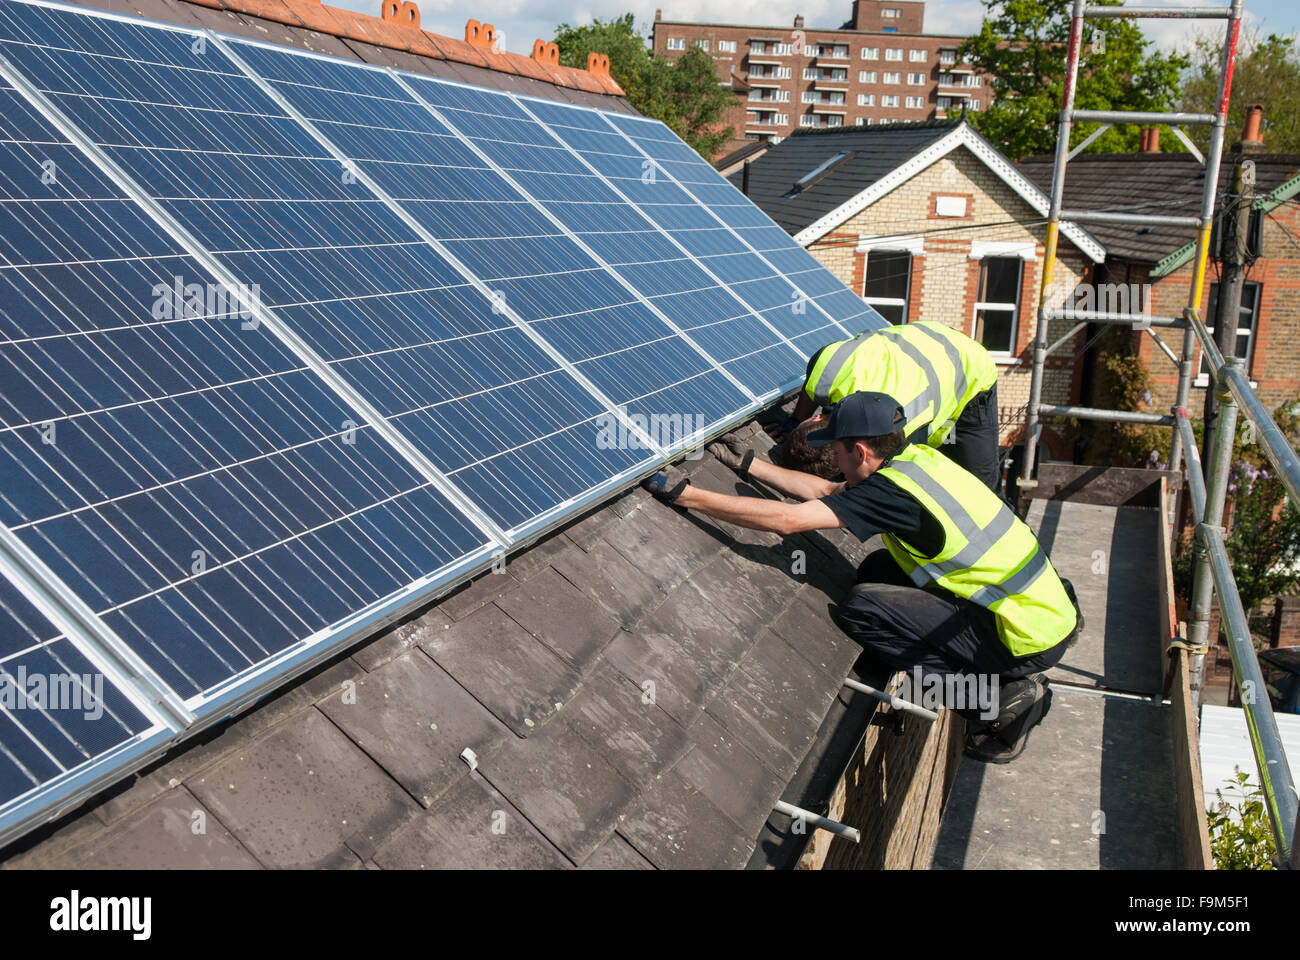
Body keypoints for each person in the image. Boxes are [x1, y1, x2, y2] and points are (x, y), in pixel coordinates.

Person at [642, 391, 1079, 763]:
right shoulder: (916, 460)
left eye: (837, 448)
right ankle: (1001, 677)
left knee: (863, 609)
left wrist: (687, 494)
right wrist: (749, 463)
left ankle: (995, 700)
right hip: (1038, 609)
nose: (831, 457)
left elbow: (788, 521)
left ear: (862, 452)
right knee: (873, 571)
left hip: (1020, 636)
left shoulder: (892, 493)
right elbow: (827, 492)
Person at [784, 322, 1003, 494]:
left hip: (970, 364)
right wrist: (795, 421)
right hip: (925, 333)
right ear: (815, 419)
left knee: (981, 483)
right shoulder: (826, 369)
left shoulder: (898, 429)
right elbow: (811, 387)